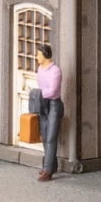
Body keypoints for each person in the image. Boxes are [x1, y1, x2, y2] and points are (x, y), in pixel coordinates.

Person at [33, 43, 64, 182]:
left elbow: (52, 90)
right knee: (45, 136)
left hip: (54, 105)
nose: (36, 57)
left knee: (51, 137)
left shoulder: (55, 71)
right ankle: (51, 165)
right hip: (43, 103)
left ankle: (48, 170)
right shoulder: (40, 69)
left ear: (45, 55)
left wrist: (40, 94)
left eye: (38, 55)